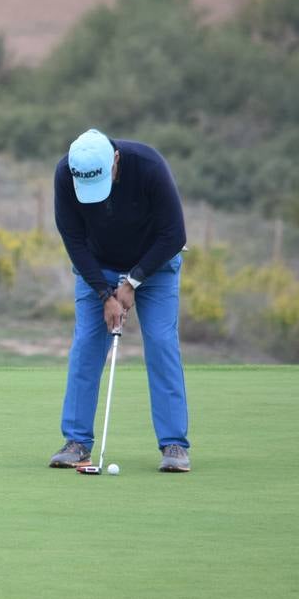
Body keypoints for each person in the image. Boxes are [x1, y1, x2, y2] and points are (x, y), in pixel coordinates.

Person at [48, 129, 192, 472]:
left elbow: (174, 234)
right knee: (87, 344)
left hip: (155, 265)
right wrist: (103, 293)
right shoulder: (65, 173)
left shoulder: (148, 166)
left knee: (160, 342)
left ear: (115, 160)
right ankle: (77, 442)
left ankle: (174, 445)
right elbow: (73, 238)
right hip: (97, 266)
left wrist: (132, 281)